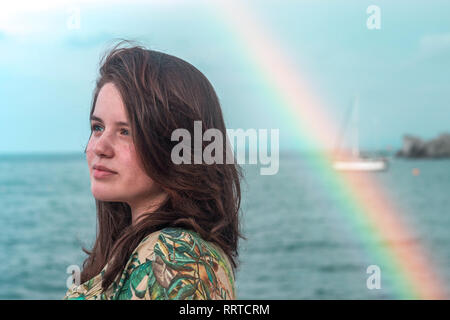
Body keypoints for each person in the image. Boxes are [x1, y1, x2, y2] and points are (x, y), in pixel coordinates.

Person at [63, 41, 245, 300]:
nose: (99, 147)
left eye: (126, 131)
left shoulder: (174, 256)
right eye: (97, 127)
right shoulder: (145, 248)